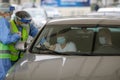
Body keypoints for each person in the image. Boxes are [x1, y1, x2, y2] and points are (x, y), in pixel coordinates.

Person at [0, 2, 21, 80]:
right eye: (10, 14)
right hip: (2, 56)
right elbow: (5, 39)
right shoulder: (2, 21)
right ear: (5, 13)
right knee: (5, 76)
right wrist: (16, 36)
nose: (11, 16)